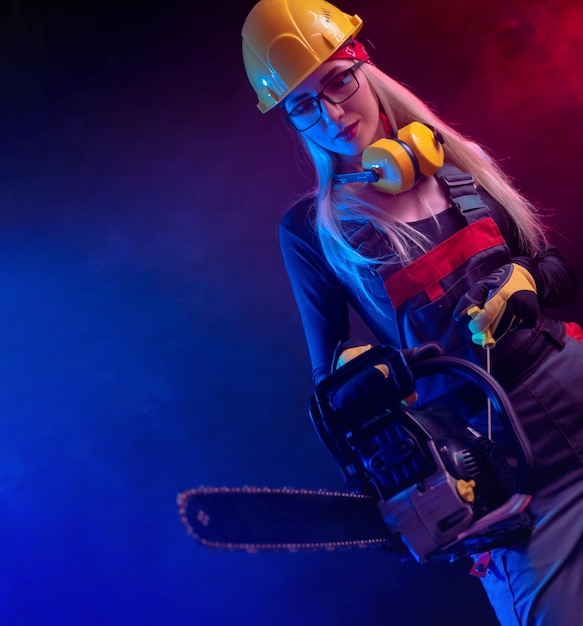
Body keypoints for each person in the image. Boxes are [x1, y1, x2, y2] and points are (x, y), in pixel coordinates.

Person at [241, 1, 583, 624]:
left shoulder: (455, 162)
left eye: (338, 81)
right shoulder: (311, 233)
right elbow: (331, 391)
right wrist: (369, 380)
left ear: (364, 64)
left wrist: (527, 278)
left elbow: (559, 270)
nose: (333, 113)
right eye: (303, 105)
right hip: (501, 461)